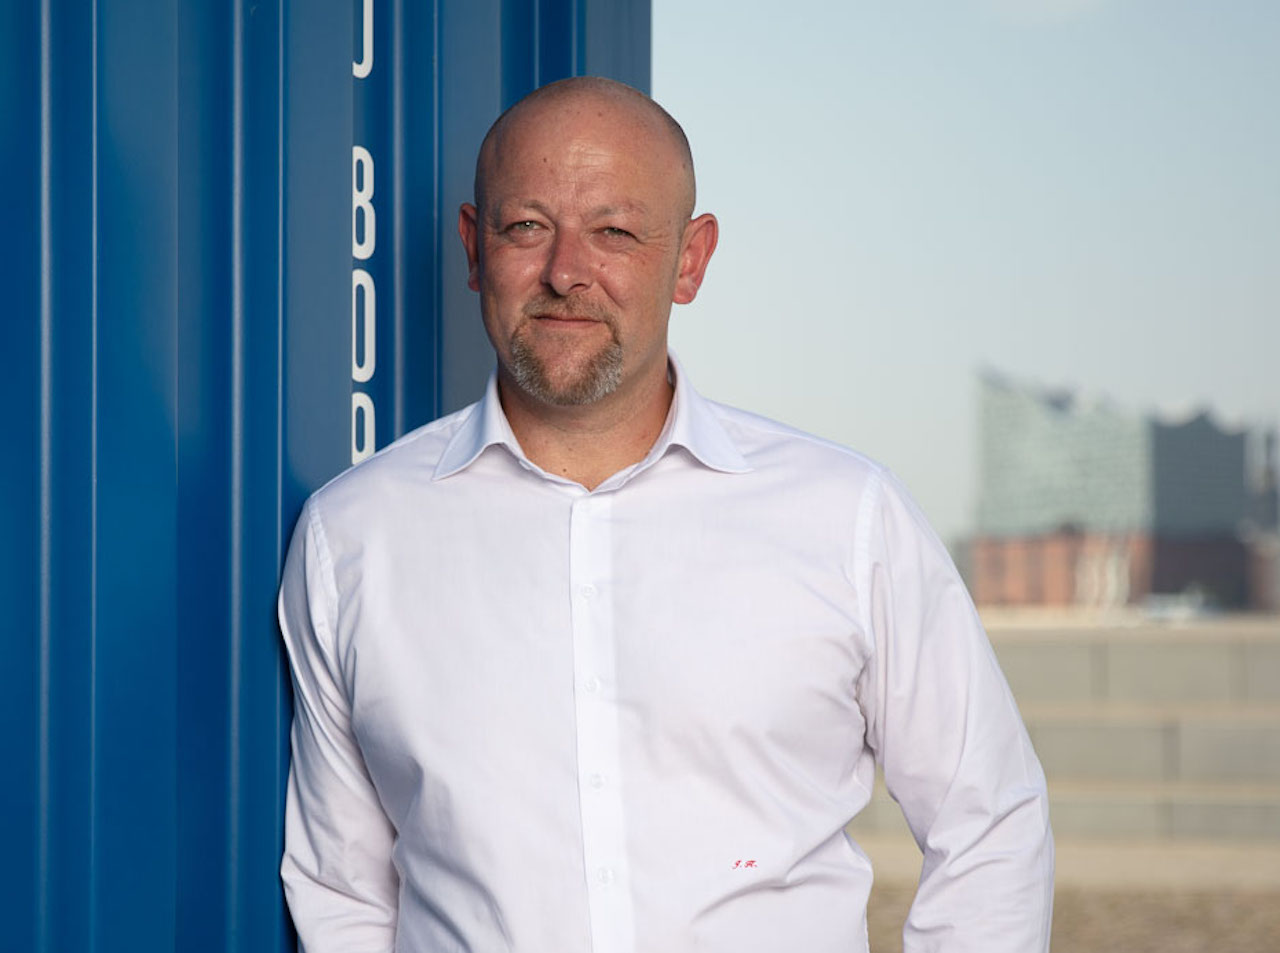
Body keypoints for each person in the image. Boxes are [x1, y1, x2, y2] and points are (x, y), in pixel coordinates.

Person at [278, 76, 1053, 953]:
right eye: (527, 226)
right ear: (472, 247)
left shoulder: (847, 518)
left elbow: (990, 820)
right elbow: (342, 887)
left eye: (614, 232)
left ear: (689, 260)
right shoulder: (354, 537)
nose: (566, 271)